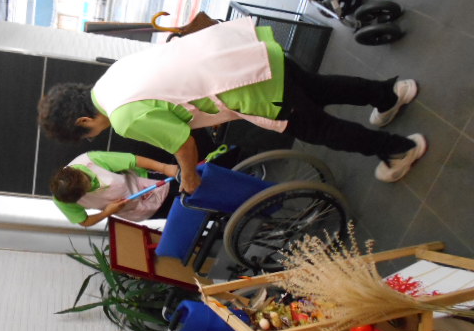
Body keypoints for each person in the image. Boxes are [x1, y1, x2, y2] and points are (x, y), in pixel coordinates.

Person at [38, 17, 426, 194]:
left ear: (83, 120)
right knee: (319, 87)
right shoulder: (112, 75)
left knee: (321, 128)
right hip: (247, 50)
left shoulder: (123, 117)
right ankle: (390, 93)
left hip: (249, 86)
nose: (92, 137)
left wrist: (189, 178)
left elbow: (183, 145)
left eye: (86, 134)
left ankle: (399, 150)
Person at [51, 150, 179, 227]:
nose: (89, 187)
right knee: (182, 213)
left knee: (188, 190)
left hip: (150, 183)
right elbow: (84, 222)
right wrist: (107, 212)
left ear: (78, 172)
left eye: (87, 182)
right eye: (84, 192)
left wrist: (164, 168)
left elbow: (133, 160)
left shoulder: (91, 160)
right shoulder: (64, 199)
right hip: (140, 210)